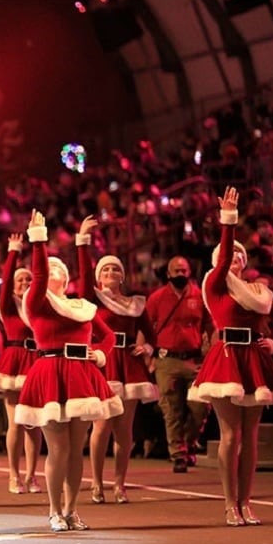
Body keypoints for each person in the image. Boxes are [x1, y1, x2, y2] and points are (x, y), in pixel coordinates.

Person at [188, 186, 273, 526]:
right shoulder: (214, 284)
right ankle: (228, 503)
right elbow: (221, 262)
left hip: (254, 357)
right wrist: (229, 220)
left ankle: (246, 502)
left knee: (250, 438)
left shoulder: (255, 291)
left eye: (238, 255)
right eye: (228, 254)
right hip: (225, 358)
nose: (233, 258)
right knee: (230, 435)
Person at [15, 210, 123, 532]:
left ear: (65, 279)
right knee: (58, 447)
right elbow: (37, 276)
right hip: (50, 374)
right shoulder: (37, 302)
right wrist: (39, 240)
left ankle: (72, 508)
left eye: (56, 271)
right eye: (47, 271)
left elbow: (108, 337)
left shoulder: (80, 306)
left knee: (76, 449)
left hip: (81, 375)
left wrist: (100, 356)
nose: (50, 274)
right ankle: (53, 510)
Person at [76, 216, 158, 505]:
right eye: (105, 268)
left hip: (130, 366)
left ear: (123, 276)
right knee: (102, 426)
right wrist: (83, 240)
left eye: (115, 268)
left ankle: (120, 484)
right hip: (104, 362)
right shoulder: (93, 299)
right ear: (99, 277)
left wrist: (146, 348)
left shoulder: (135, 302)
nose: (111, 272)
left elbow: (151, 334)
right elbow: (84, 277)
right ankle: (97, 482)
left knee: (125, 430)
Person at [0, 233, 42, 494]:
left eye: (29, 279)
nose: (25, 283)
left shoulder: (39, 307)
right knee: (16, 421)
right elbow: (5, 284)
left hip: (36, 362)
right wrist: (14, 251)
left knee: (34, 423)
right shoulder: (6, 306)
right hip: (15, 360)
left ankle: (31, 475)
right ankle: (13, 475)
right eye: (21, 279)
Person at [145, 255, 212, 472]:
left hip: (194, 360)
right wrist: (148, 358)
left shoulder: (199, 296)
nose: (180, 274)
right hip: (167, 361)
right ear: (168, 274)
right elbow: (145, 328)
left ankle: (189, 443)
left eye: (184, 270)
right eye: (176, 271)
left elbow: (210, 327)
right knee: (172, 410)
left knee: (200, 407)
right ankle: (178, 454)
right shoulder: (157, 298)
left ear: (189, 272)